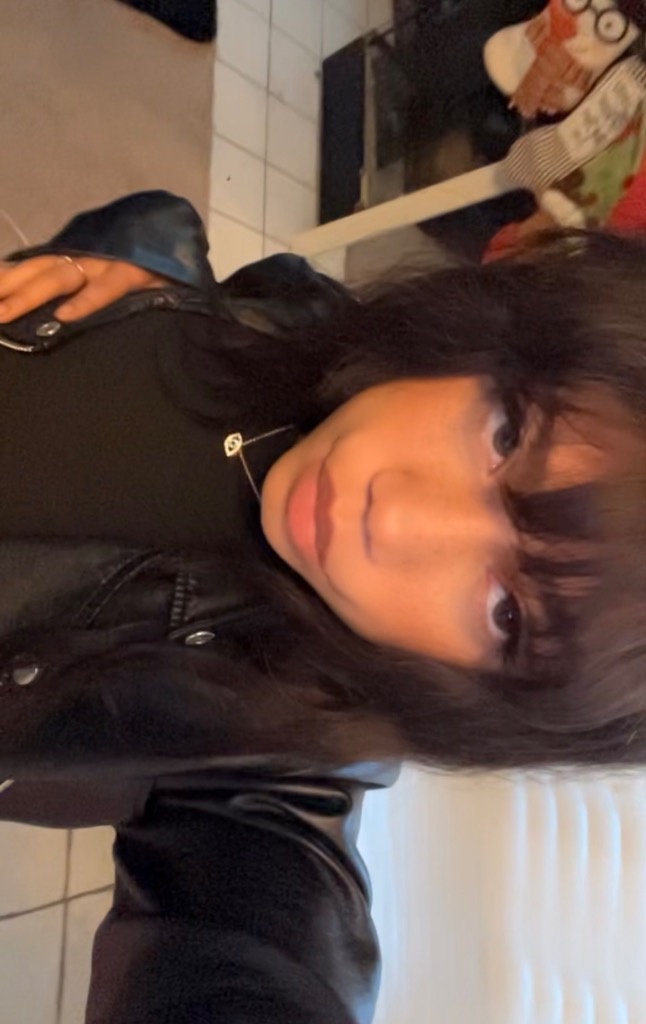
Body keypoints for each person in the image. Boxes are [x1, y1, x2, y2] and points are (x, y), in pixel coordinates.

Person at [1, 190, 645, 1020]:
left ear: (491, 695)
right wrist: (137, 252)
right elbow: (185, 239)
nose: (398, 516)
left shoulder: (268, 743)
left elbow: (258, 944)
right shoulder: (310, 322)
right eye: (506, 434)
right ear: (495, 341)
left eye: (506, 614)